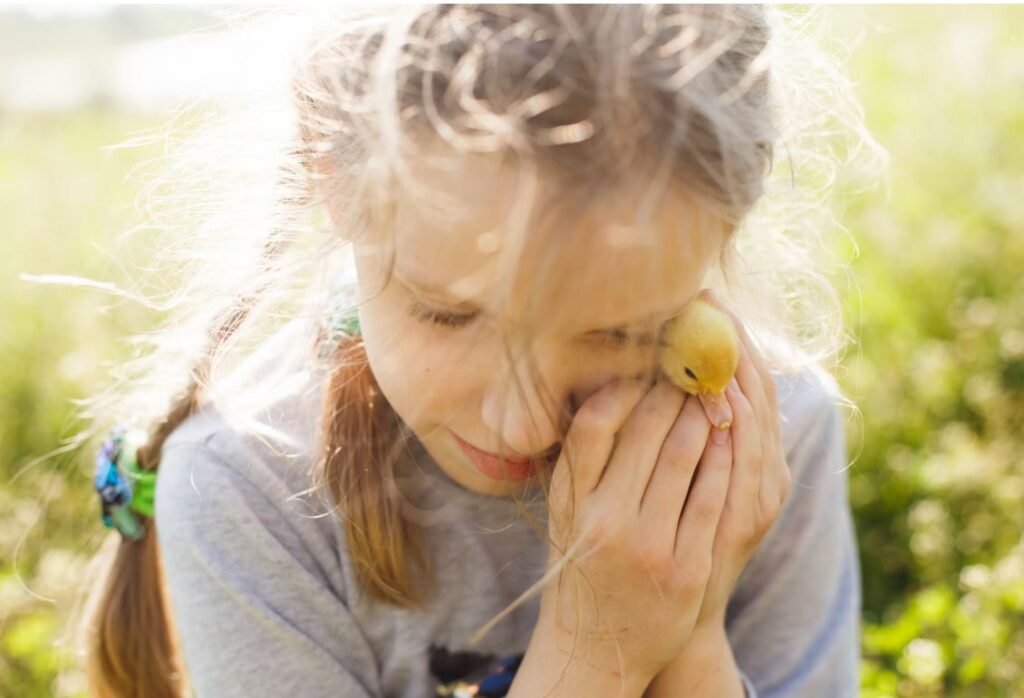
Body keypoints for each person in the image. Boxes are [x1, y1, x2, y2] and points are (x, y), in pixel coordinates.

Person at [78, 5, 882, 697]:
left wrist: (694, 633)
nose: (522, 423)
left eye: (618, 331)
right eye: (446, 315)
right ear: (334, 181)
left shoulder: (769, 443)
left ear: (724, 227)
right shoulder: (248, 488)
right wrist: (594, 653)